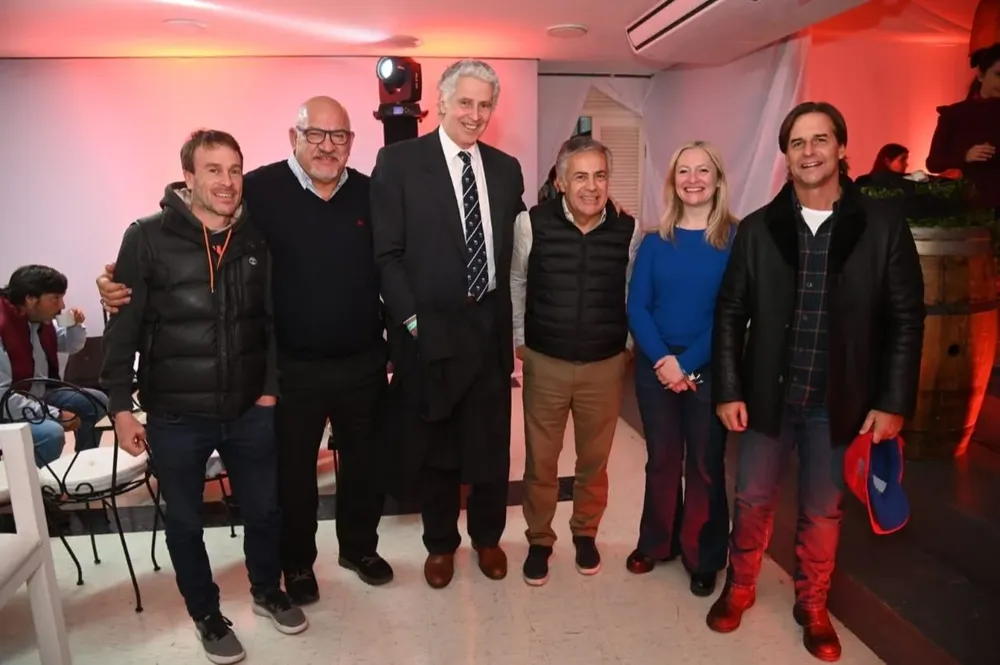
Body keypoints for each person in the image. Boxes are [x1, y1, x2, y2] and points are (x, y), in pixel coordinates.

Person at [96, 97, 393, 605]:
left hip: (362, 360)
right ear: (293, 136)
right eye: (316, 134)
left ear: (351, 142)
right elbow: (189, 223)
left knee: (365, 467)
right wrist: (113, 280)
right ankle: (297, 563)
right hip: (287, 367)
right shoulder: (257, 190)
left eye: (339, 136)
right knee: (292, 477)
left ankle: (359, 549)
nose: (327, 145)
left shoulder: (372, 193)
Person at [708, 102, 924, 662]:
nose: (809, 151)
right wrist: (729, 388)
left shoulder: (881, 226)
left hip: (842, 403)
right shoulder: (759, 229)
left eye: (819, 140)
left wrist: (892, 401)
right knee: (752, 498)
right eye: (798, 143)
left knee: (824, 511)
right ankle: (741, 586)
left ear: (841, 148)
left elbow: (906, 317)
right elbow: (731, 311)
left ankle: (813, 604)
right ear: (786, 156)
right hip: (767, 397)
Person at [100, 129, 307, 664]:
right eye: (213, 170)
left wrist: (267, 391)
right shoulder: (145, 237)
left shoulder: (255, 238)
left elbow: (269, 323)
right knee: (186, 522)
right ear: (187, 177)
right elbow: (123, 330)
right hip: (175, 415)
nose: (227, 181)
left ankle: (266, 589)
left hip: (248, 411)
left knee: (265, 511)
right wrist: (121, 408)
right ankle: (207, 614)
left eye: (235, 170)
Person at [370, 59, 525, 589]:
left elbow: (520, 244)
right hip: (428, 332)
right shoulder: (399, 163)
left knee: (489, 446)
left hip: (487, 331)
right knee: (436, 448)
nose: (475, 114)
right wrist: (411, 324)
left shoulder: (507, 170)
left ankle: (487, 539)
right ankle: (440, 545)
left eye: (485, 105)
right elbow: (387, 256)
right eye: (466, 102)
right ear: (441, 101)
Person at [512, 136, 640, 586]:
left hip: (604, 366)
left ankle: (585, 532)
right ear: (561, 181)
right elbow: (517, 280)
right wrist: (520, 341)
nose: (591, 186)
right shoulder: (531, 224)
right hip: (546, 361)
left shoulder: (629, 228)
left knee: (594, 461)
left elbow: (631, 290)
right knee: (541, 461)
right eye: (580, 176)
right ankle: (539, 540)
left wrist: (625, 344)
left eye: (600, 176)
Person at [625, 140, 735, 597]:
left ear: (717, 180)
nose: (693, 179)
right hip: (656, 367)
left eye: (702, 171)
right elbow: (637, 306)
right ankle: (657, 542)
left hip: (710, 365)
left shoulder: (735, 239)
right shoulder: (654, 240)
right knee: (663, 460)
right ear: (673, 182)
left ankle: (703, 555)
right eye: (683, 171)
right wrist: (666, 365)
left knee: (706, 465)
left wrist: (686, 363)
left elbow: (732, 313)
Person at [0, 265, 107, 466]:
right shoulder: (3, 327)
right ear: (30, 299)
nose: (61, 305)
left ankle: (82, 465)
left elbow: (69, 344)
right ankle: (33, 490)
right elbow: (2, 397)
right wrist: (55, 414)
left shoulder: (37, 320)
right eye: (55, 298)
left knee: (96, 401)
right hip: (6, 408)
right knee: (51, 433)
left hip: (38, 393)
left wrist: (74, 325)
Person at [927, 43, 1000, 216]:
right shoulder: (955, 114)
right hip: (971, 209)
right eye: (998, 75)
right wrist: (965, 156)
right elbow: (933, 162)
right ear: (981, 75)